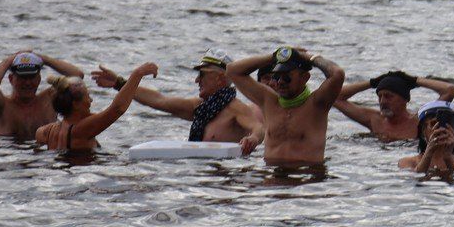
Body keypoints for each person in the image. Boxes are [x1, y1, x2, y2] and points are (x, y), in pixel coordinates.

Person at [90, 54, 264, 149]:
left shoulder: (236, 109)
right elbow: (159, 100)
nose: (197, 81)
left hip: (222, 181)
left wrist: (254, 139)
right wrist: (120, 84)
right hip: (199, 179)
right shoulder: (199, 107)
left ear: (219, 78)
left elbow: (258, 128)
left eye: (202, 75)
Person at [224, 46, 347, 167]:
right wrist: (276, 56)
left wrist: (308, 57)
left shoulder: (317, 104)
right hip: (271, 176)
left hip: (304, 179)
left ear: (305, 77)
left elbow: (337, 74)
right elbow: (232, 70)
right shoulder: (268, 101)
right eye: (277, 76)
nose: (280, 82)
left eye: (287, 77)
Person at [34, 64, 158, 152]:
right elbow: (117, 109)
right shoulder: (80, 129)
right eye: (88, 97)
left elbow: (38, 137)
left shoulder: (46, 131)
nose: (91, 100)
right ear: (75, 104)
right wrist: (137, 74)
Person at [0, 49, 85, 139]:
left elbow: (77, 76)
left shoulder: (50, 98)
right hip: (11, 155)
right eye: (22, 78)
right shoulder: (1, 105)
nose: (27, 83)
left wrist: (43, 59)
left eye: (32, 77)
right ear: (11, 79)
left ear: (39, 79)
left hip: (43, 157)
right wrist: (9, 60)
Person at [335, 70, 454, 142]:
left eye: (388, 96)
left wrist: (415, 81)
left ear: (405, 99)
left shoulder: (421, 120)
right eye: (380, 96)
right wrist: (372, 83)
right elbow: (335, 97)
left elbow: (449, 90)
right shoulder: (374, 119)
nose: (382, 101)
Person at [399, 99, 454, 176]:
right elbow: (416, 179)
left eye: (446, 125)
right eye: (434, 124)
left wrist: (448, 156)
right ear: (423, 132)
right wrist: (429, 152)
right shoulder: (408, 162)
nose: (440, 129)